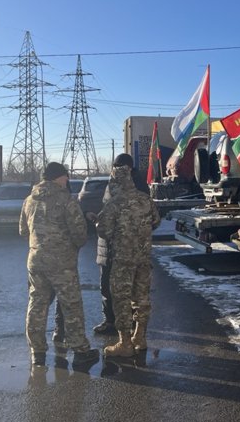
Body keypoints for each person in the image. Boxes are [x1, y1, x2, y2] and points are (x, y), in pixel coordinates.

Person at [20, 162, 98, 367]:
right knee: (71, 305)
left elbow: (22, 231)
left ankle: (37, 352)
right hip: (62, 263)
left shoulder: (29, 200)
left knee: (37, 304)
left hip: (36, 261)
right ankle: (80, 351)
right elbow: (80, 235)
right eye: (65, 176)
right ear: (58, 177)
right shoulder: (66, 201)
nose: (67, 180)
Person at [96, 162, 161, 357]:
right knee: (141, 299)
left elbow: (104, 231)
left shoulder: (114, 203)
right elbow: (156, 222)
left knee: (121, 300)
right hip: (143, 258)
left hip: (123, 261)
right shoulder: (145, 200)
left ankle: (124, 343)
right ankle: (140, 337)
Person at [88, 153, 149, 335]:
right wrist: (100, 218)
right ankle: (111, 321)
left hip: (124, 249)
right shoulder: (112, 184)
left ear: (128, 168)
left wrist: (101, 223)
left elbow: (143, 219)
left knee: (127, 290)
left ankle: (128, 329)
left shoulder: (138, 187)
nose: (115, 171)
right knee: (106, 286)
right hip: (108, 247)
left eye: (118, 168)